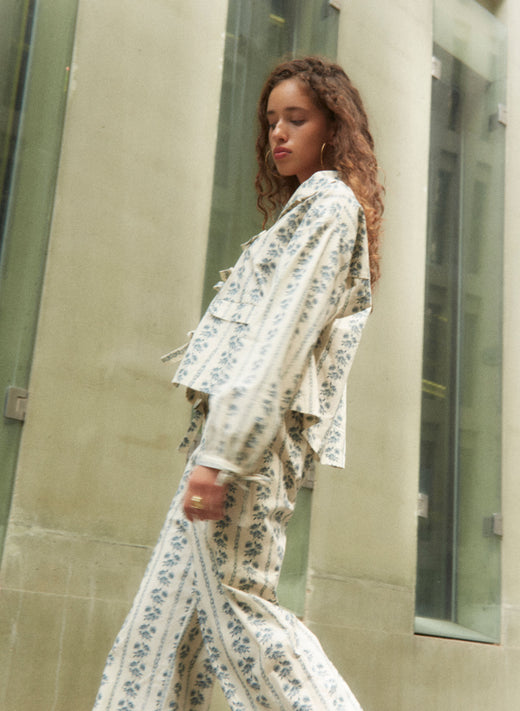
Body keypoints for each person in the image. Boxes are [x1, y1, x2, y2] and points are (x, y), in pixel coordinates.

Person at [93, 56, 384, 711]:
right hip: (232, 442)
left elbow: (279, 340)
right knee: (158, 637)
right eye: (271, 120)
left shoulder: (329, 207)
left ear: (332, 127)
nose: (277, 133)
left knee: (242, 610)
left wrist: (223, 456)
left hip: (249, 449)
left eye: (296, 119)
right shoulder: (308, 210)